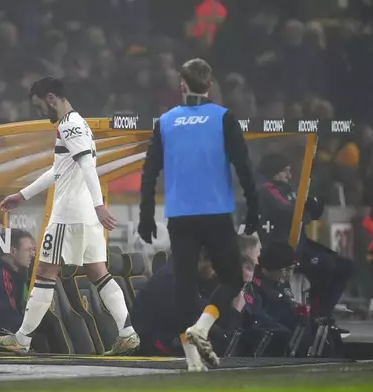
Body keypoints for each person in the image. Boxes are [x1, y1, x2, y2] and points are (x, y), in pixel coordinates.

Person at [0, 77, 140, 355]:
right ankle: (127, 332)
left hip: (69, 214)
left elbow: (86, 166)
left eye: (39, 107)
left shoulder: (69, 125)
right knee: (99, 272)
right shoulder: (76, 124)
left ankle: (22, 339)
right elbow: (59, 170)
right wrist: (23, 195)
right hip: (85, 215)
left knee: (45, 273)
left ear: (50, 98)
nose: (39, 113)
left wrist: (99, 205)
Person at [137, 58, 259, 371]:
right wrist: (253, 207)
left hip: (180, 216)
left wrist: (146, 215)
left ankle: (193, 362)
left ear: (182, 85)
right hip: (216, 211)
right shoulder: (223, 118)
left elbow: (149, 172)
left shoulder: (165, 121)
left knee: (185, 287)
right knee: (232, 277)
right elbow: (243, 166)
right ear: (210, 85)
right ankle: (202, 328)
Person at [257, 153, 353, 333]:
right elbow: (288, 210)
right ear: (274, 172)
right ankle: (316, 316)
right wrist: (304, 209)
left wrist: (307, 208)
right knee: (326, 265)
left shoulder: (289, 189)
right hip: (285, 248)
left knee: (345, 266)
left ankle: (324, 314)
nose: (289, 175)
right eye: (285, 171)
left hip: (302, 244)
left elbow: (313, 210)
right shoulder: (266, 189)